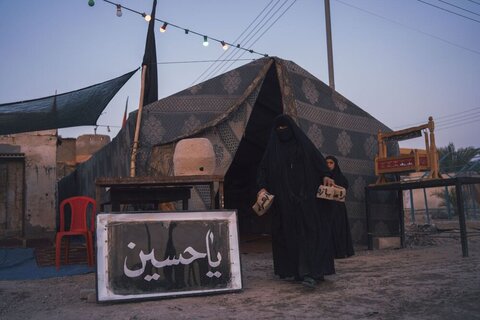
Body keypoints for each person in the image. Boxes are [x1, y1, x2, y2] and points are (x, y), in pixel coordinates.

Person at [256, 114, 335, 288]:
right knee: (292, 235)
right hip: (285, 202)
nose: (282, 132)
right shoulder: (273, 149)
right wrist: (262, 187)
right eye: (279, 130)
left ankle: (312, 272)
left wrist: (326, 176)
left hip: (308, 199)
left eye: (285, 129)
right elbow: (263, 170)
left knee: (310, 233)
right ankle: (300, 272)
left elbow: (319, 162)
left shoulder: (304, 145)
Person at [325, 155, 355, 258]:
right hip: (327, 207)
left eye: (331, 163)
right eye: (327, 163)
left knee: (339, 228)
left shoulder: (340, 178)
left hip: (338, 208)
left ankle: (341, 251)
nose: (328, 165)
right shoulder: (324, 177)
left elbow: (344, 189)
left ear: (335, 164)